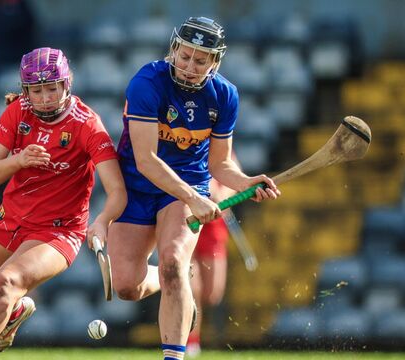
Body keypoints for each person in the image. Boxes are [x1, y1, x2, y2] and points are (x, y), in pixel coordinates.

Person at [0, 47, 126, 360]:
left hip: (58, 231)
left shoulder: (87, 124)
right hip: (10, 217)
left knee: (6, 281)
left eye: (52, 88)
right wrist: (19, 160)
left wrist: (103, 220)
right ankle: (19, 309)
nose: (45, 97)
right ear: (25, 90)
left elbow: (117, 189)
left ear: (67, 84)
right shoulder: (17, 111)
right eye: (36, 90)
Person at [108, 17, 280, 360]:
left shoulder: (225, 95)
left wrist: (246, 182)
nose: (189, 66)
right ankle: (180, 275)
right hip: (139, 184)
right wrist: (195, 198)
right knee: (126, 285)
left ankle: (175, 354)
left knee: (171, 259)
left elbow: (219, 163)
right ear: (174, 49)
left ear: (215, 62)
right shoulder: (147, 82)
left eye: (200, 60)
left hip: (187, 184)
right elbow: (146, 160)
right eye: (184, 56)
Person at [186, 178, 234, 357]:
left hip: (213, 221)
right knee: (191, 286)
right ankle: (191, 341)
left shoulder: (220, 148)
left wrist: (223, 196)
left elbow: (232, 176)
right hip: (185, 213)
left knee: (213, 294)